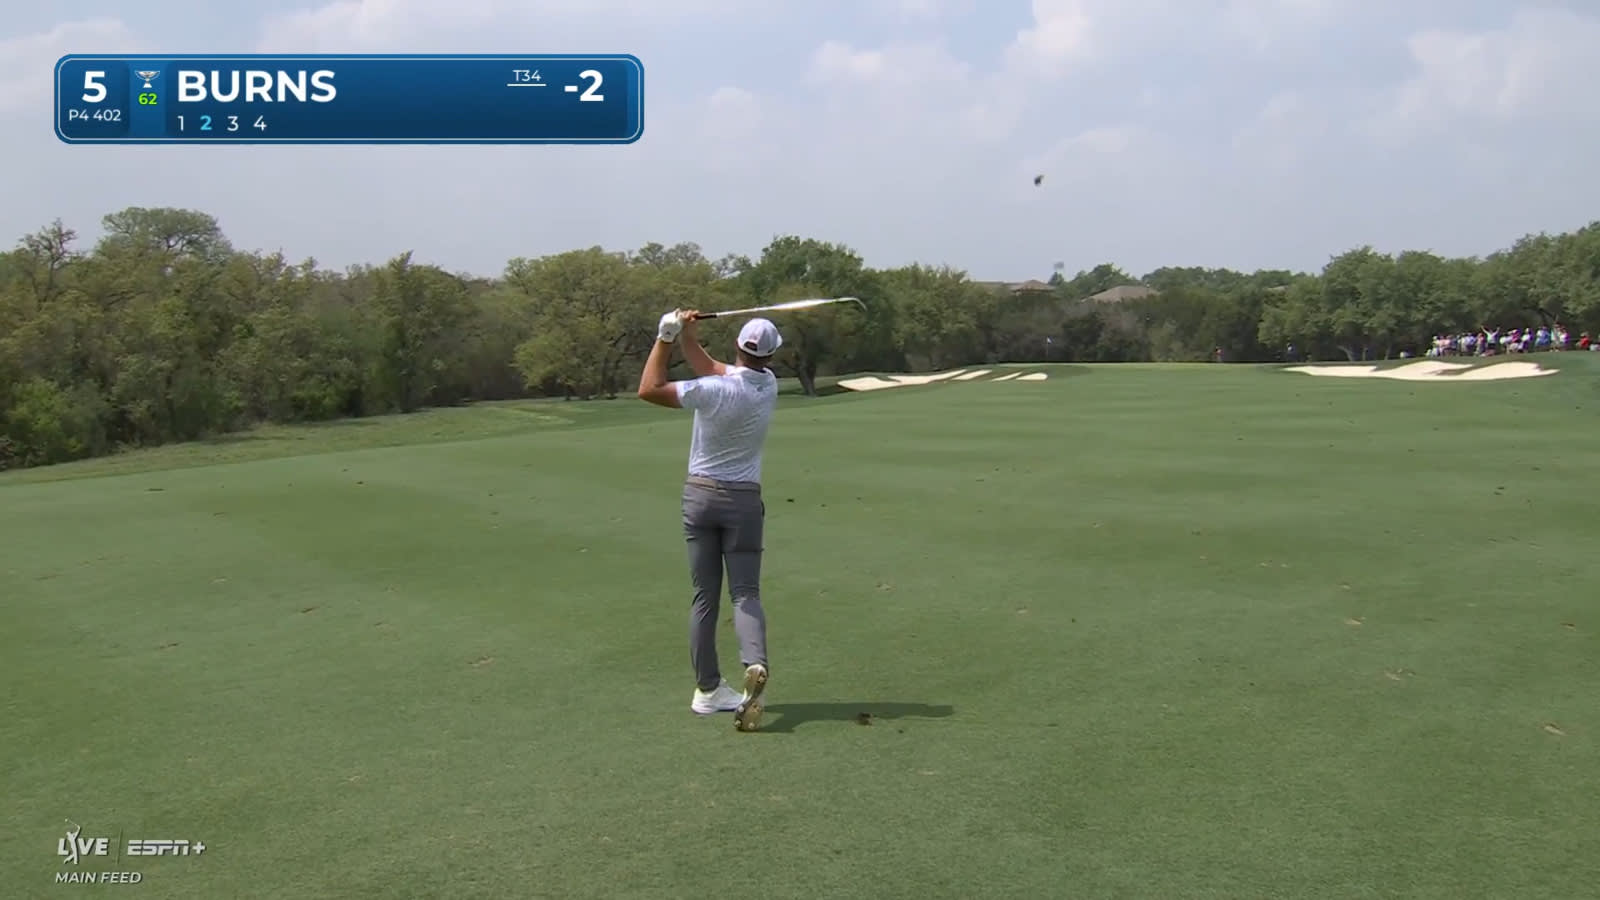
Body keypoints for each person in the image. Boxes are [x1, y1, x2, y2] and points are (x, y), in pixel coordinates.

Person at [636, 307, 780, 731]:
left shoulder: (711, 390)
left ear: (737, 346)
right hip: (743, 501)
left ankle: (707, 690)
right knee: (745, 593)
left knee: (704, 597)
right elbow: (715, 367)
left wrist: (665, 336)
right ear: (771, 356)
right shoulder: (768, 385)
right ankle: (755, 664)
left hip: (699, 498)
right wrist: (688, 336)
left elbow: (649, 388)